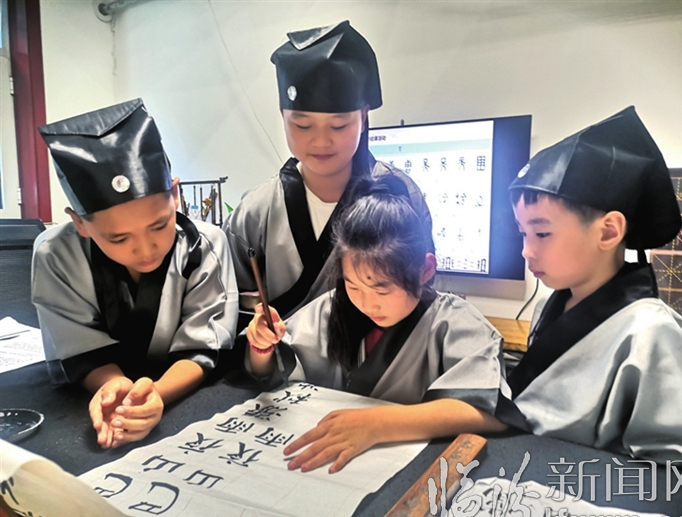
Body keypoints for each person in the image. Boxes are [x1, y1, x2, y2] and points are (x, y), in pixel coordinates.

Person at [243, 176, 511, 473]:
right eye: (353, 285)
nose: (367, 304)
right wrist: (262, 346)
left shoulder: (453, 322)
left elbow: (490, 411)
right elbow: (275, 370)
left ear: (425, 269)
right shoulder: (332, 308)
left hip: (410, 470)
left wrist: (378, 424)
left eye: (381, 290)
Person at [502, 106, 682, 463]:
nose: (526, 250)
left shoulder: (653, 333)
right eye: (522, 233)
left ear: (608, 232)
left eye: (542, 233)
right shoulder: (548, 306)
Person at [33, 99, 239, 449]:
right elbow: (80, 350)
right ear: (79, 223)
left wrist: (156, 394)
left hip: (180, 388)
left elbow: (203, 346)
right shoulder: (56, 254)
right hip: (88, 396)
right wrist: (113, 385)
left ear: (174, 194)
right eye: (118, 238)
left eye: (159, 225)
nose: (146, 250)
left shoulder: (204, 245)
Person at [223, 20, 432, 325]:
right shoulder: (255, 212)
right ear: (282, 115)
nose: (320, 141)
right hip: (284, 357)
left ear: (363, 117)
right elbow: (232, 311)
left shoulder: (398, 193)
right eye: (302, 125)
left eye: (339, 125)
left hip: (381, 356)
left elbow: (421, 293)